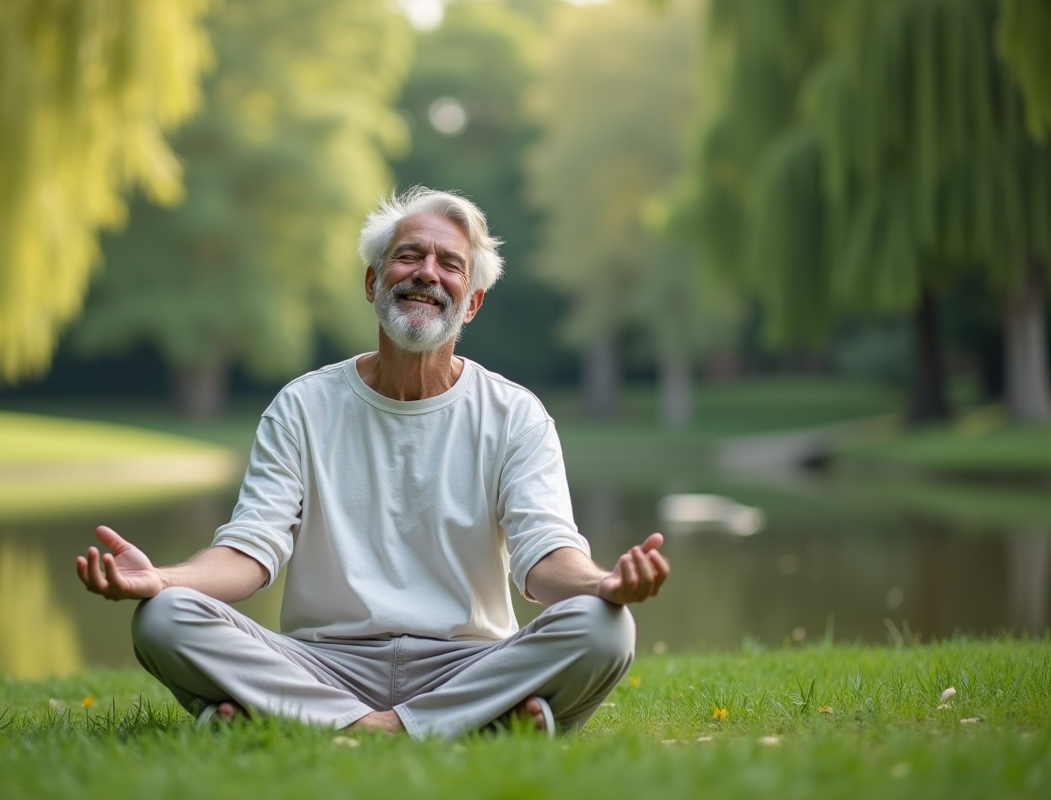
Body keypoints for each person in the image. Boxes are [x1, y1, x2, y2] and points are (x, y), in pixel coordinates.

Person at [76, 187, 670, 739]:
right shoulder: (302, 406)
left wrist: (602, 584)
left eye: (450, 263)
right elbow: (251, 550)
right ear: (373, 281)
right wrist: (162, 581)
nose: (427, 272)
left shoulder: (516, 415)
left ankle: (312, 723)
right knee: (162, 618)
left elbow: (544, 556)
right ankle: (466, 725)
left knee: (606, 627)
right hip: (321, 662)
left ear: (472, 303)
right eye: (409, 256)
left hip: (469, 662)